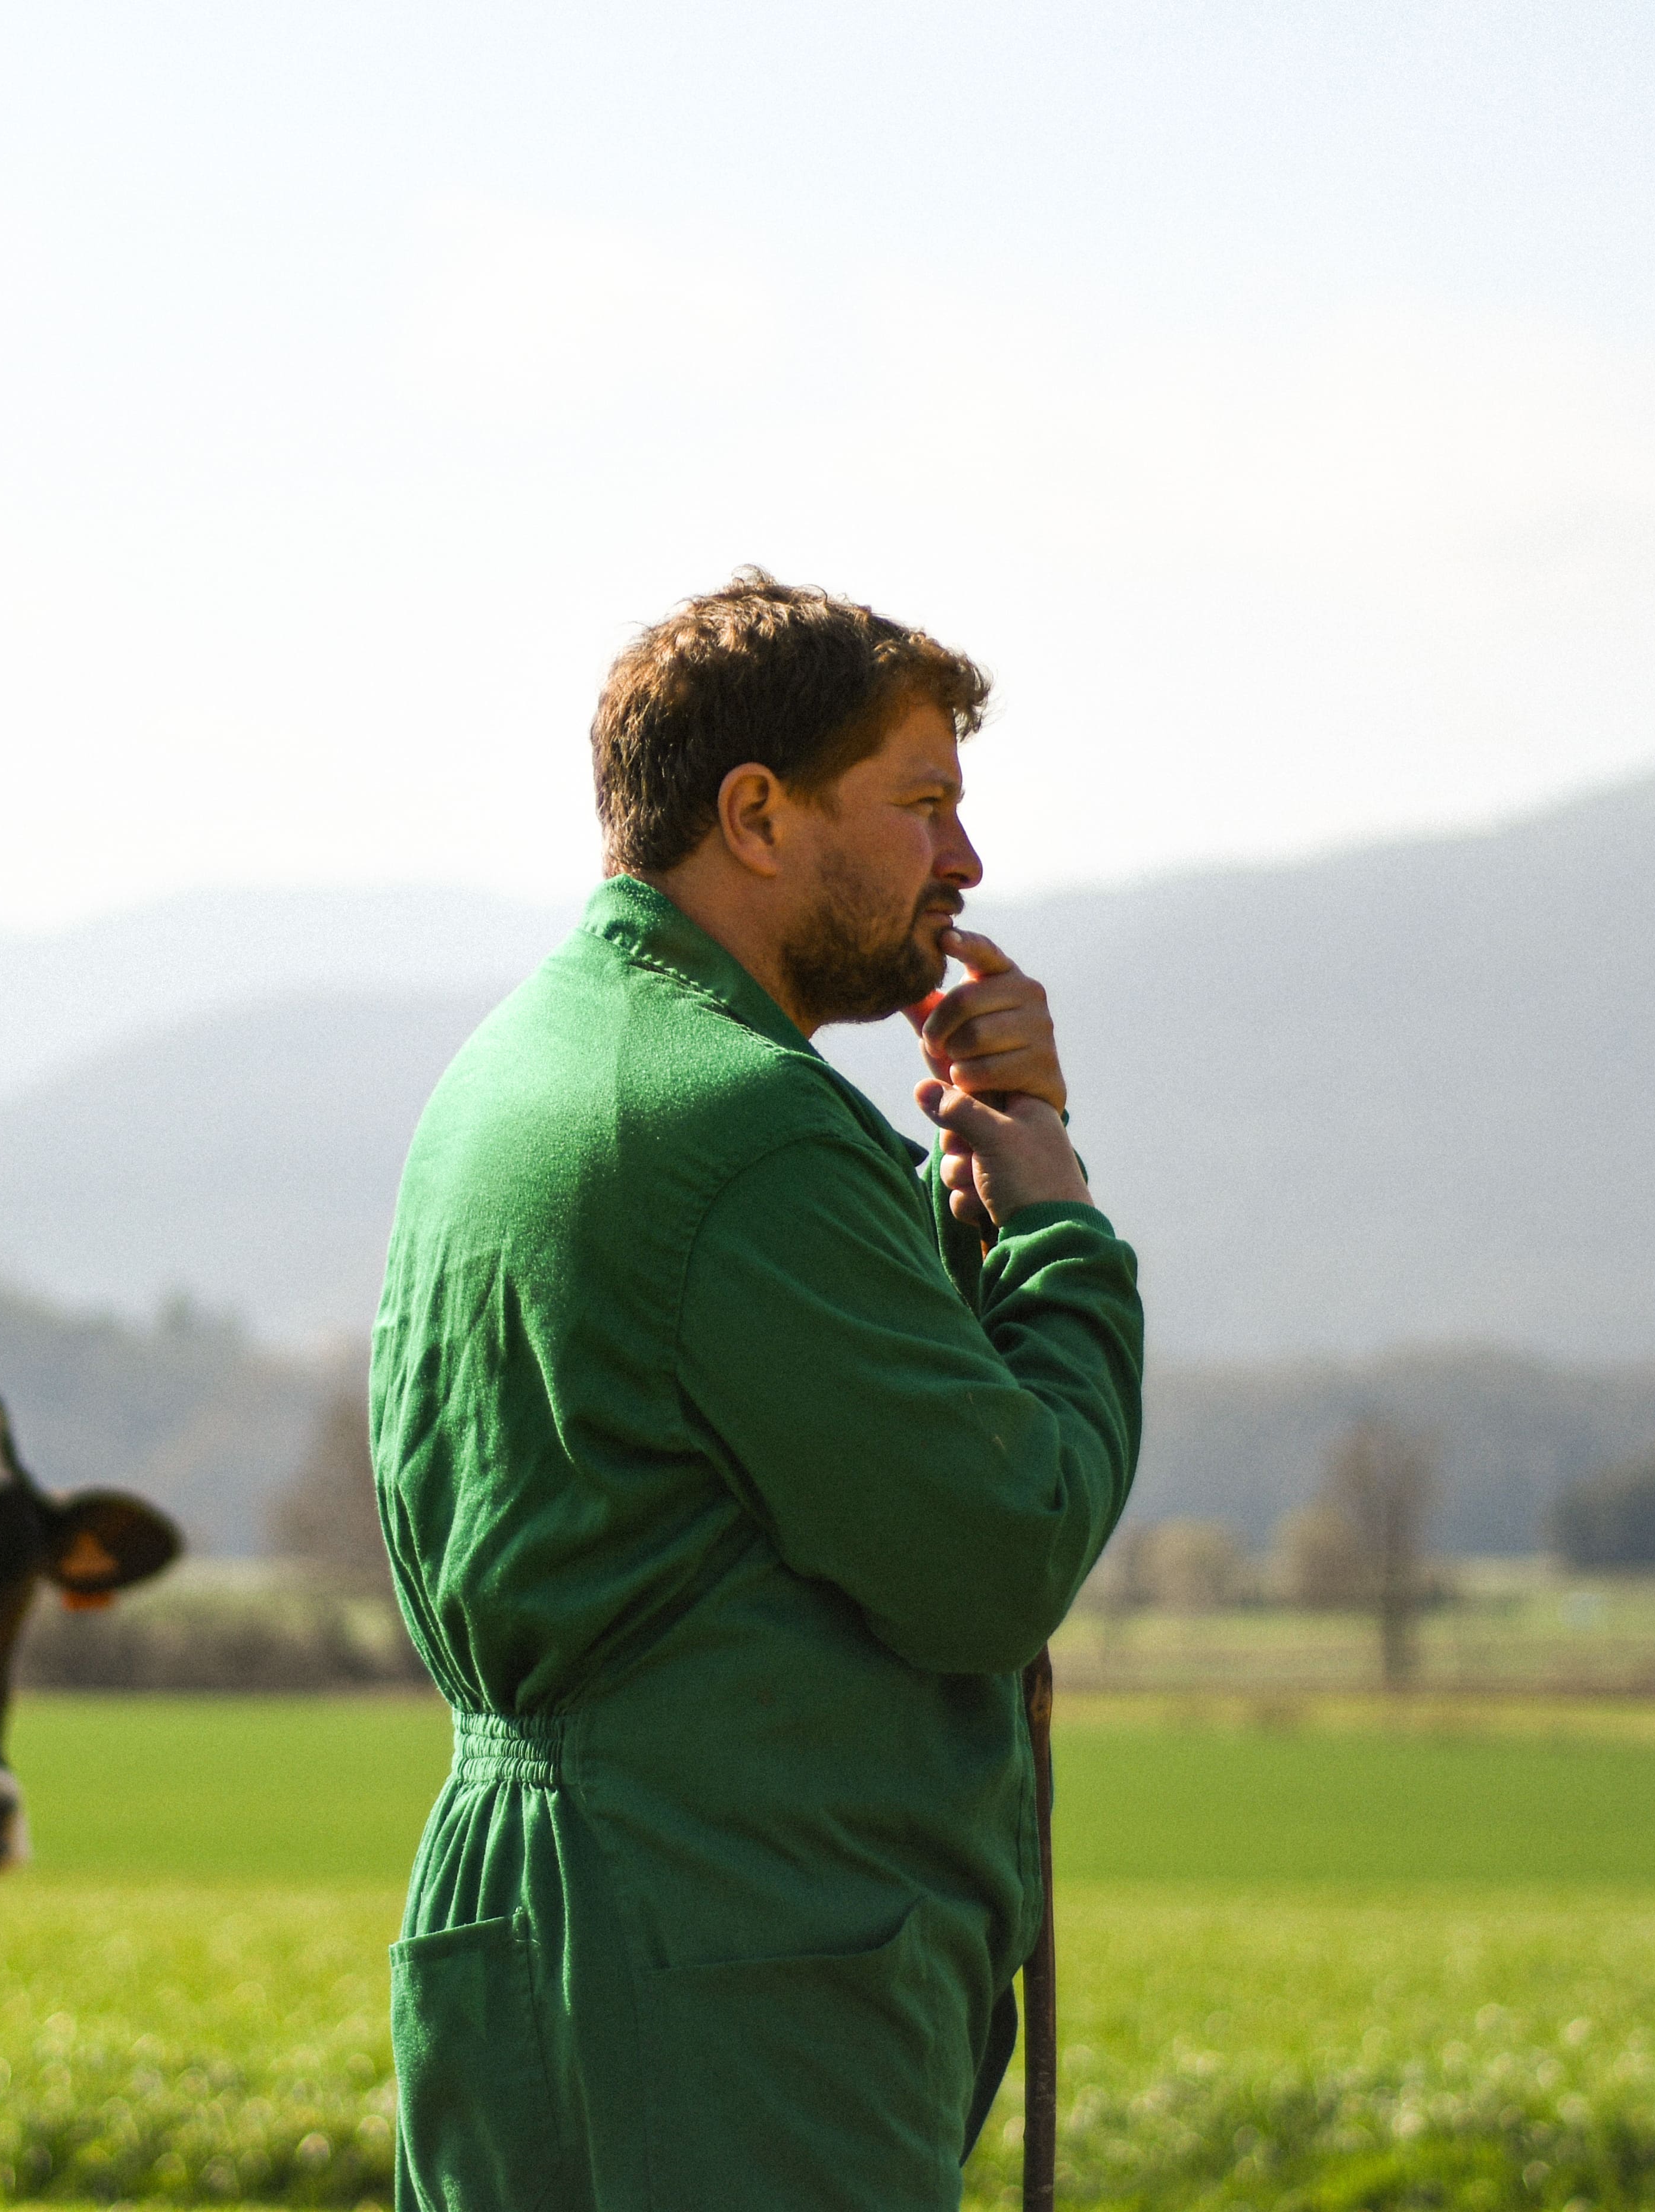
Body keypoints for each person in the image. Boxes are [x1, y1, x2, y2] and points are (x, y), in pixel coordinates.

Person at [369, 570, 1145, 2210]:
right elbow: (998, 1543)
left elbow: (764, 1432)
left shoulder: (531, 1067)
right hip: (726, 1971)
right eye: (922, 803)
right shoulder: (746, 1128)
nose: (965, 861)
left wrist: (948, 1206)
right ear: (758, 814)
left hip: (546, 1942)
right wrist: (1060, 1235)